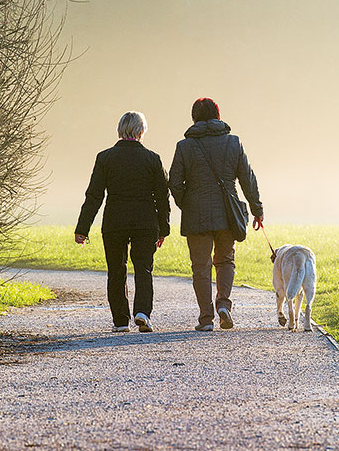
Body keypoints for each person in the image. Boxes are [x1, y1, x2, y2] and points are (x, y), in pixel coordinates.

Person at [169, 98, 263, 331]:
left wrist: (187, 204)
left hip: (196, 215)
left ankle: (206, 318)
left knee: (201, 267)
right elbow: (247, 178)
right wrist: (257, 209)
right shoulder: (233, 142)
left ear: (194, 118)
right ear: (218, 116)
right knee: (225, 260)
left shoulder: (184, 146)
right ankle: (223, 305)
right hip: (227, 214)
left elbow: (174, 183)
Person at [75, 111, 170, 333]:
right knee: (143, 268)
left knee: (116, 270)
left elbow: (94, 195)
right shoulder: (153, 159)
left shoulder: (105, 158)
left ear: (120, 130)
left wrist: (82, 228)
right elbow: (162, 197)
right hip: (145, 222)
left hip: (114, 221)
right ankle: (142, 313)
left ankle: (120, 321)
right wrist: (163, 228)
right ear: (141, 131)